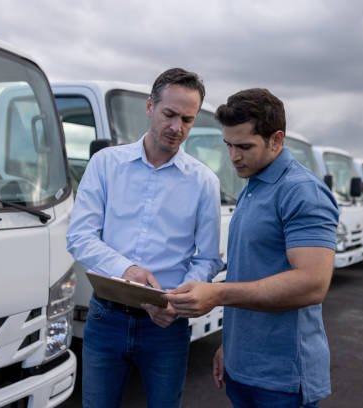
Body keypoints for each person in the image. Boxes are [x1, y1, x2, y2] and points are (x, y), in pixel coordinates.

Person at [165, 88, 339, 407]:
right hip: (244, 366)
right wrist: (229, 346)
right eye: (228, 145)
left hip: (283, 378)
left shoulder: (301, 192)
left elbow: (313, 284)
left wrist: (217, 294)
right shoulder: (254, 184)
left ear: (276, 140)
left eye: (244, 146)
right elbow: (252, 270)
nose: (233, 157)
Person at [66, 68, 223, 408]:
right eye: (169, 114)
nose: (177, 128)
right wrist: (127, 270)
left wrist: (176, 302)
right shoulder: (105, 164)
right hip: (106, 319)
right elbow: (79, 235)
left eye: (187, 119)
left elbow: (207, 257)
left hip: (167, 327)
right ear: (150, 106)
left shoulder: (204, 182)